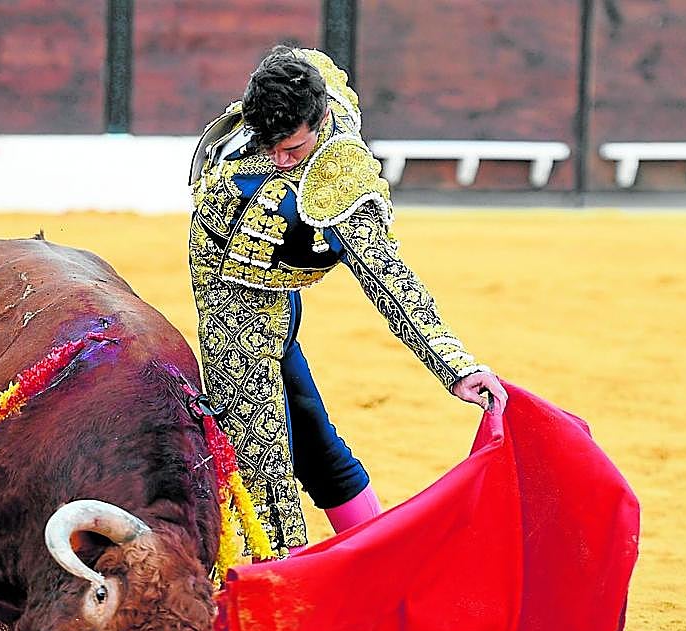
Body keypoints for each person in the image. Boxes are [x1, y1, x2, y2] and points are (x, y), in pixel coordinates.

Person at [188, 44, 508, 554]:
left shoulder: (338, 177)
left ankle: (283, 595)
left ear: (318, 123)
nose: (278, 159)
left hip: (253, 313)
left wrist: (456, 366)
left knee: (261, 471)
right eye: (268, 143)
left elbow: (388, 279)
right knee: (312, 442)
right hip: (233, 305)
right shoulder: (293, 91)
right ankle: (380, 561)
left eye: (292, 149)